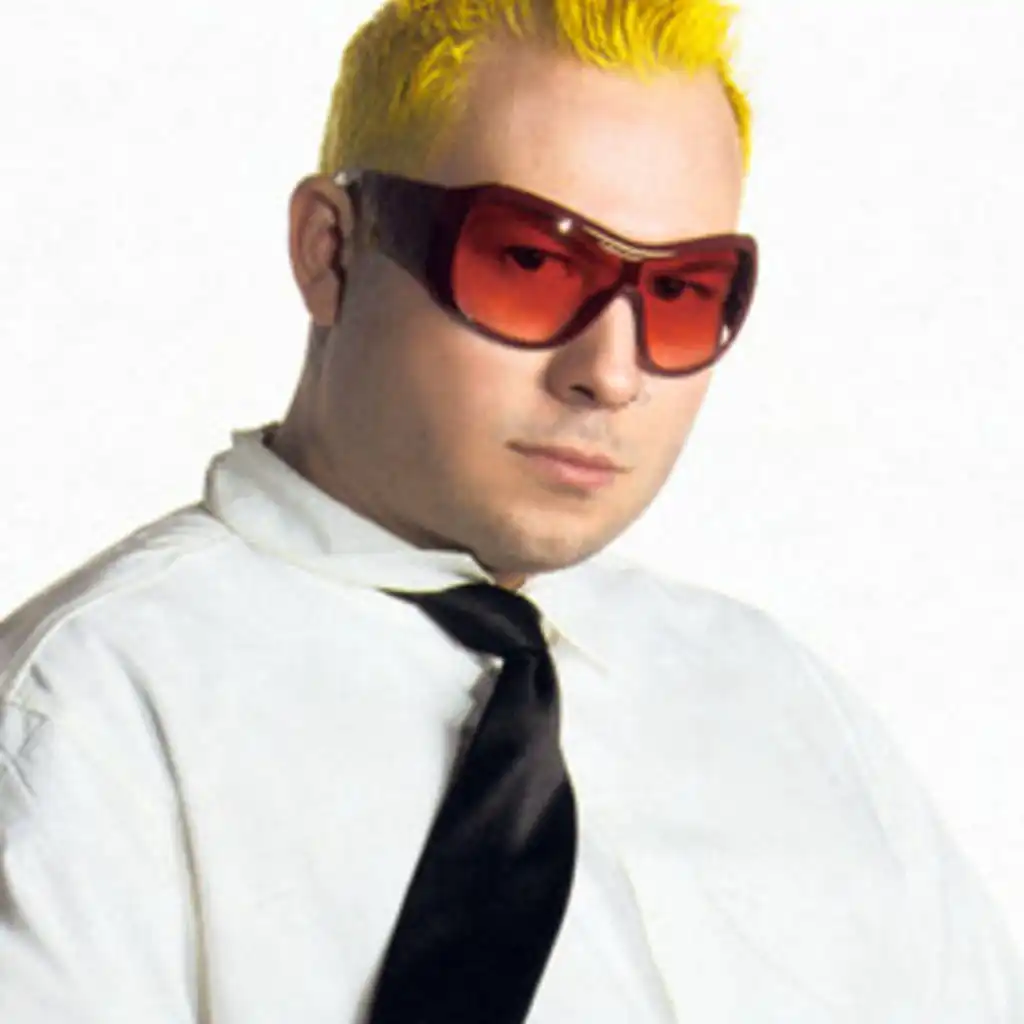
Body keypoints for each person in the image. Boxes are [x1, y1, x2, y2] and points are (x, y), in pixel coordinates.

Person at [1, 0, 1022, 1020]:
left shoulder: (788, 711)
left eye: (680, 293)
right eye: (530, 263)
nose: (611, 373)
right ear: (329, 250)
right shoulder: (85, 720)